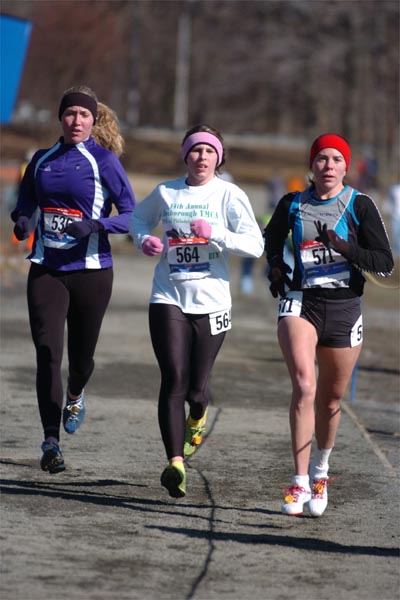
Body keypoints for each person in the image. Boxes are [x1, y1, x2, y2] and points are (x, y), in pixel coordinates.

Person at [130, 124, 264, 498]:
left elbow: (255, 245)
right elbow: (138, 219)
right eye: (195, 150)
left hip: (213, 302)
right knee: (172, 376)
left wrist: (216, 234)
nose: (201, 157)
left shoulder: (229, 195)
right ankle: (175, 463)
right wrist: (145, 240)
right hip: (168, 296)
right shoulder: (166, 192)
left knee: (196, 389)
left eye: (209, 151)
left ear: (218, 158)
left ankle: (198, 414)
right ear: (185, 155)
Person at [264, 133, 394, 517]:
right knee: (305, 386)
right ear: (312, 164)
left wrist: (345, 248)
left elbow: (384, 262)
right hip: (301, 301)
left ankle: (321, 471)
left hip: (344, 307)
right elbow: (271, 239)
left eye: (336, 159)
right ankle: (299, 480)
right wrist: (275, 268)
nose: (328, 166)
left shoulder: (360, 205)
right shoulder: (293, 203)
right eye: (322, 159)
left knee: (331, 399)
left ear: (346, 167)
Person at [10, 85, 136, 474]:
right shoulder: (42, 159)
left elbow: (133, 214)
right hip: (47, 268)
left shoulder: (104, 162)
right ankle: (50, 441)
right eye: (70, 114)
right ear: (60, 118)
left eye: (84, 115)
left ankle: (77, 391)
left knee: (80, 360)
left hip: (92, 272)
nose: (76, 121)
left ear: (93, 120)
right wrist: (23, 219)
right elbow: (26, 198)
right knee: (48, 353)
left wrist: (96, 225)